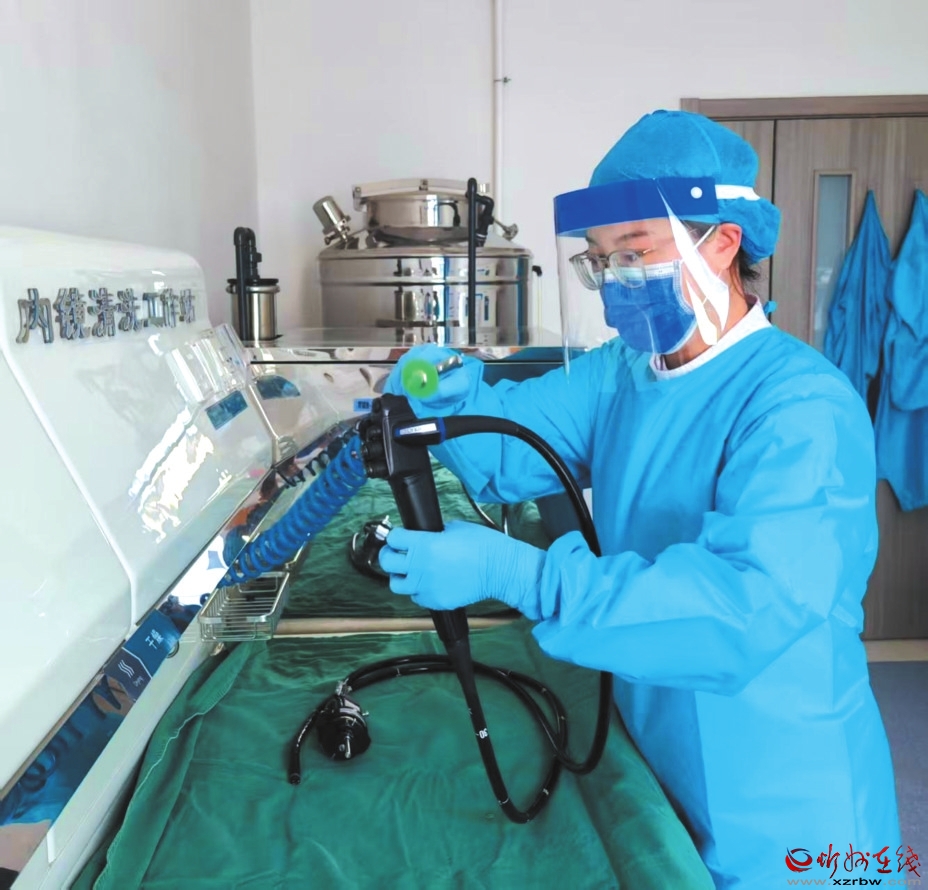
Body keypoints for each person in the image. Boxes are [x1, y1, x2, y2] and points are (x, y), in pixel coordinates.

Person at [377, 110, 901, 888]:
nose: (615, 278)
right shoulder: (621, 372)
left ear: (722, 242)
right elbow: (512, 450)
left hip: (784, 791)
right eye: (600, 259)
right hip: (655, 744)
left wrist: (523, 575)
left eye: (635, 252)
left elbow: (740, 612)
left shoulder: (799, 405)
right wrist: (455, 396)